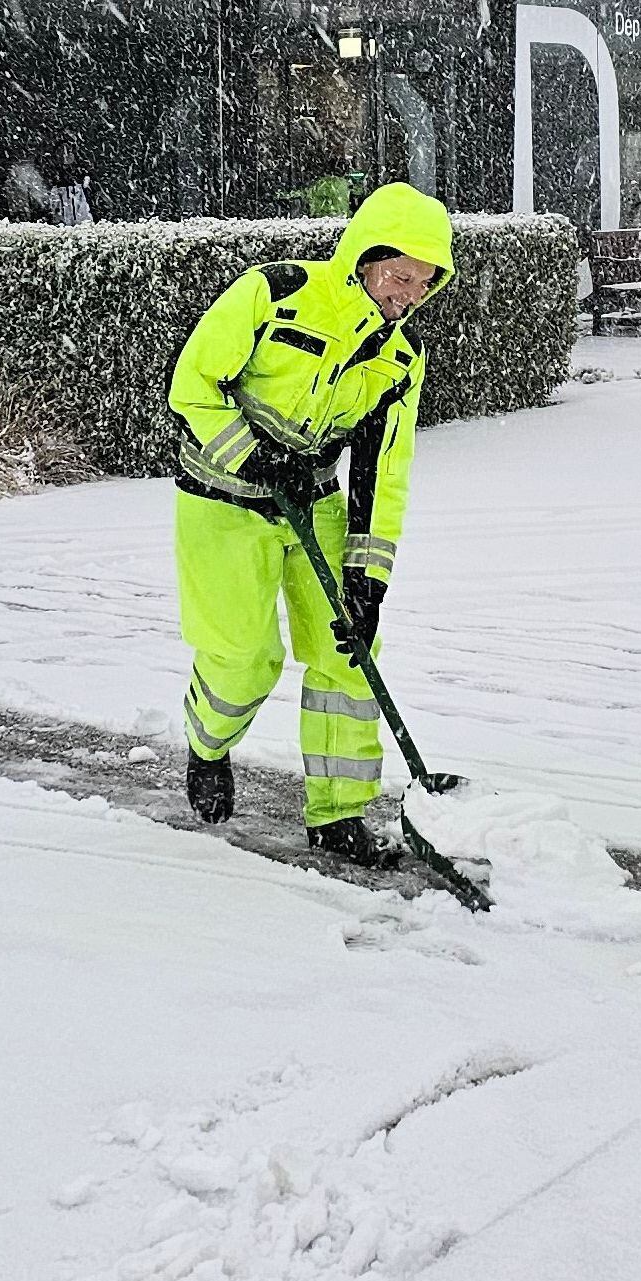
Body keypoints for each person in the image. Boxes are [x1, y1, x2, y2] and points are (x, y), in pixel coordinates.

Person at [167, 181, 453, 866]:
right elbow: (193, 386)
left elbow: (384, 473)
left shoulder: (399, 362)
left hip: (313, 505)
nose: (405, 294)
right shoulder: (275, 295)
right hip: (222, 501)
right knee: (243, 659)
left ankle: (339, 814)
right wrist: (257, 457)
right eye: (398, 275)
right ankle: (208, 746)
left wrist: (368, 579)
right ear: (363, 258)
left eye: (422, 283)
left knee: (347, 654)